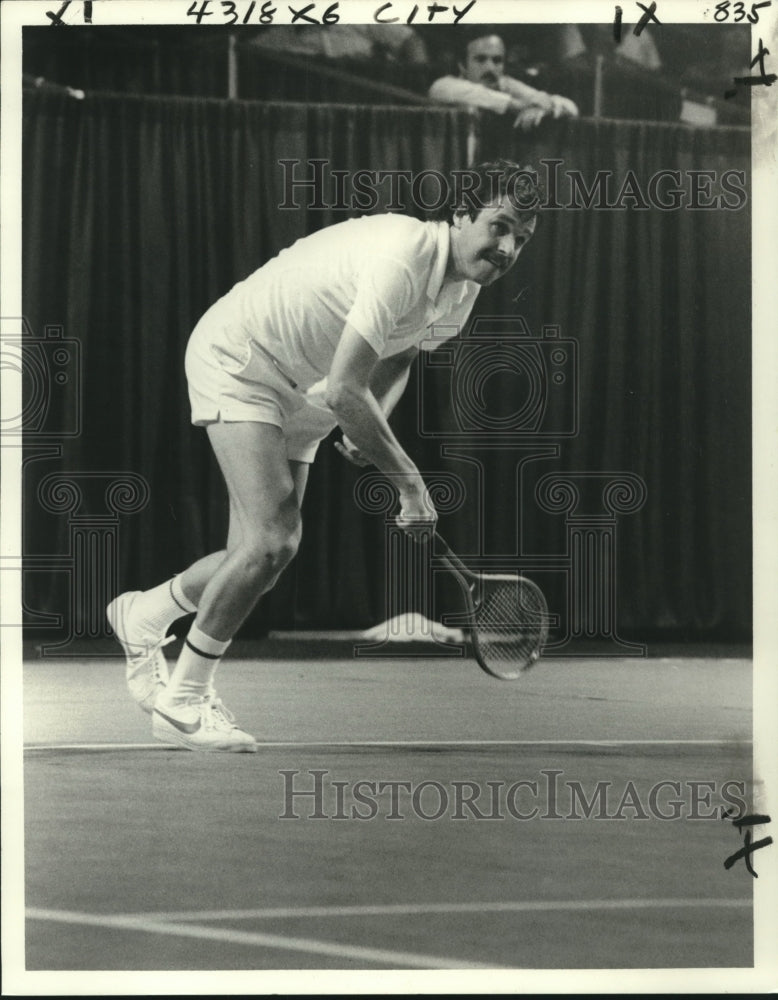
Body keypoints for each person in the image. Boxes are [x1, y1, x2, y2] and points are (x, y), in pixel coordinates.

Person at [107, 160, 541, 753]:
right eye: (500, 226)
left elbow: (399, 356)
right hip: (244, 356)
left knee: (258, 557)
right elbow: (344, 389)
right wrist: (410, 485)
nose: (508, 247)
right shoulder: (403, 255)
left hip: (307, 383)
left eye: (522, 237)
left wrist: (372, 423)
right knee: (274, 540)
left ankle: (145, 614)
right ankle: (181, 704)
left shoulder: (462, 292)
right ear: (461, 215)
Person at [428, 32, 578, 130]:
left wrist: (544, 108)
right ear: (462, 66)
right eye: (480, 59)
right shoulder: (446, 85)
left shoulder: (505, 83)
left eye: (497, 60)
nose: (490, 67)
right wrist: (516, 105)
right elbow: (438, 90)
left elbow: (570, 107)